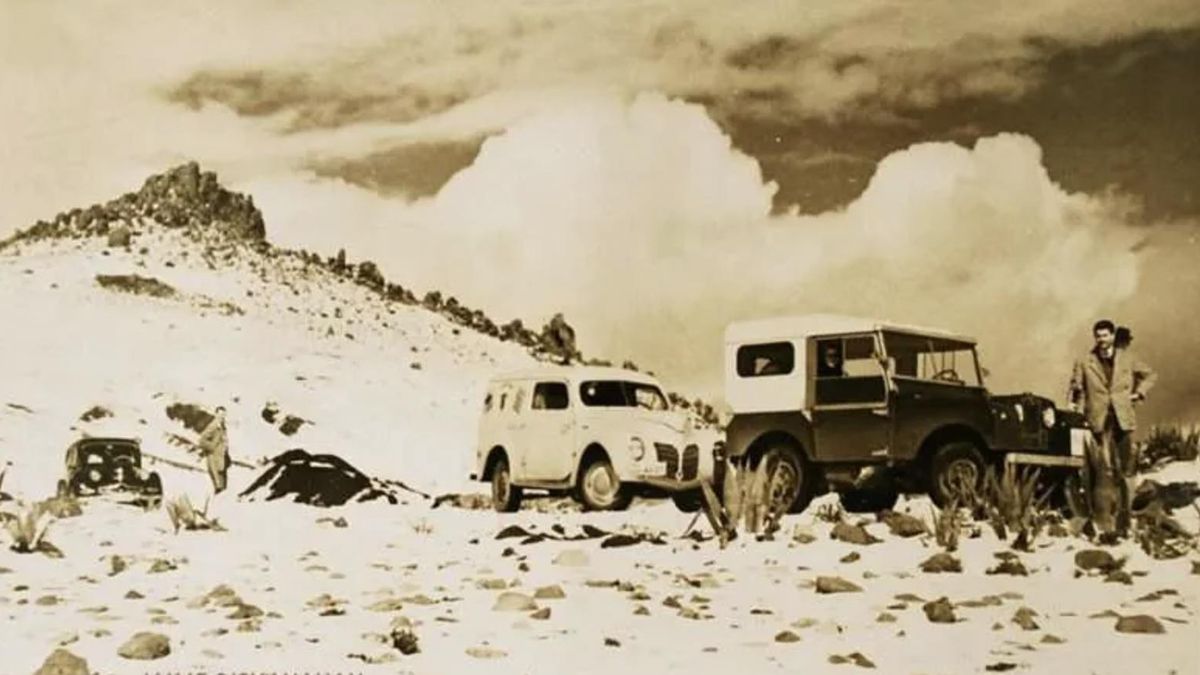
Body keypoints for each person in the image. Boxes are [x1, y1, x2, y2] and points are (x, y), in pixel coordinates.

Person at [1067, 320, 1157, 538]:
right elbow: (1075, 386)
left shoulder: (1127, 358)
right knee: (1098, 468)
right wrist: (1074, 406)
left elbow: (1151, 375)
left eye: (1105, 335)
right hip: (1097, 419)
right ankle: (1100, 514)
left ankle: (1126, 514)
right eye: (1098, 335)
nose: (1101, 339)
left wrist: (1139, 393)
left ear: (1113, 336)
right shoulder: (1085, 361)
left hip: (1122, 417)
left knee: (1125, 467)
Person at [198, 406, 231, 496]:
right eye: (220, 414)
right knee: (218, 488)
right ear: (216, 414)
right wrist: (212, 447)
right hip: (214, 460)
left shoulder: (223, 427)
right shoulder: (213, 426)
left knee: (224, 489)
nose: (222, 417)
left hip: (222, 460)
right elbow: (202, 441)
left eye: (224, 415)